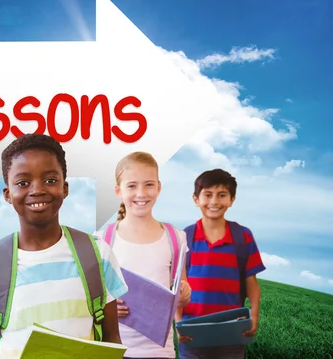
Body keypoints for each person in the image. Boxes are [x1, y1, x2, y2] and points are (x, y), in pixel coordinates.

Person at [0, 133, 128, 359]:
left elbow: (112, 338)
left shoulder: (97, 254)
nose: (37, 190)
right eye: (23, 183)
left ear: (65, 188)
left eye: (50, 180)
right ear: (7, 194)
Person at [94, 152, 192, 359]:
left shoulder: (176, 238)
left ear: (158, 187)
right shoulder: (103, 239)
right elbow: (94, 296)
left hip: (159, 351)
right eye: (132, 186)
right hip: (115, 349)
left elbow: (181, 288)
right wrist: (107, 306)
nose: (141, 193)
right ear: (118, 191)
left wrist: (183, 294)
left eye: (148, 184)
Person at [177, 169, 266, 359]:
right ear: (195, 199)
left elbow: (251, 281)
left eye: (222, 195)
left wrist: (255, 316)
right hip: (193, 330)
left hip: (232, 331)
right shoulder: (186, 237)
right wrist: (178, 322)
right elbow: (179, 284)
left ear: (232, 199)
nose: (214, 202)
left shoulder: (243, 236)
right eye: (207, 195)